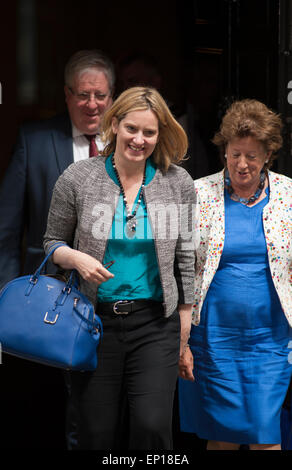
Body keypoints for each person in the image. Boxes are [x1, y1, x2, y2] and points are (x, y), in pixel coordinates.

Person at [43, 86, 196, 450]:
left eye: (149, 132)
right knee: (96, 433)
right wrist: (76, 257)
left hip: (155, 324)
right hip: (91, 322)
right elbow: (51, 244)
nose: (139, 139)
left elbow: (188, 257)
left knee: (152, 427)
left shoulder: (178, 183)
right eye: (132, 128)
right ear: (114, 125)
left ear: (160, 135)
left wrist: (185, 322)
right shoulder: (78, 178)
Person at [0, 49, 115, 449]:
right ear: (67, 95)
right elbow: (7, 228)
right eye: (83, 95)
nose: (92, 105)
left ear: (113, 98)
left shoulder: (129, 144)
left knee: (102, 412)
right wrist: (7, 298)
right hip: (45, 302)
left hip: (111, 298)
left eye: (100, 95)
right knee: (49, 410)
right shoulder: (34, 140)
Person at [178, 99, 292, 450]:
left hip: (270, 340)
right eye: (234, 154)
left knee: (265, 434)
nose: (242, 164)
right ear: (223, 150)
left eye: (252, 156)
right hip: (213, 339)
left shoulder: (289, 195)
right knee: (221, 436)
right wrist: (181, 341)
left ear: (269, 154)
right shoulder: (198, 193)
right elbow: (179, 269)